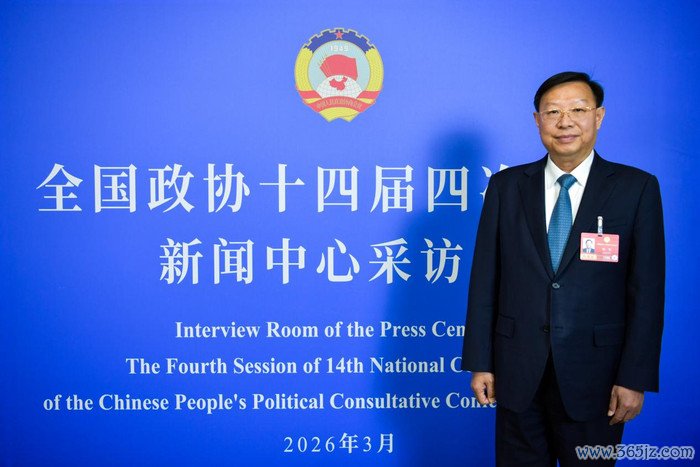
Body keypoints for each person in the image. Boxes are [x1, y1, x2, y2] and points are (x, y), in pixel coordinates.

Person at [461, 71, 665, 466]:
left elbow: (647, 292)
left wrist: (634, 377)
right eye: (553, 112)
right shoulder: (506, 187)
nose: (564, 122)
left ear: (598, 116)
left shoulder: (636, 188)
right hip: (517, 372)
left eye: (578, 110)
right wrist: (480, 362)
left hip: (598, 378)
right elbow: (485, 280)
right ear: (537, 120)